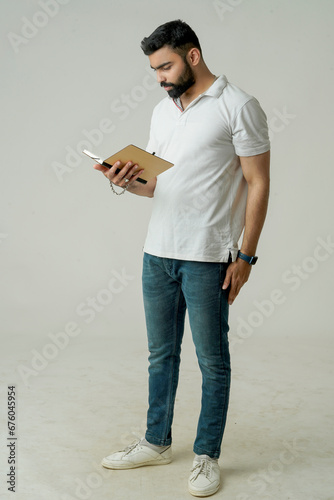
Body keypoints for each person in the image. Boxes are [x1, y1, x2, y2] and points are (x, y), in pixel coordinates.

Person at [93, 19, 270, 498]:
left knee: (213, 362)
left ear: (193, 55)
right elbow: (157, 185)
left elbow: (259, 183)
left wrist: (246, 257)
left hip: (209, 256)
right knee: (160, 356)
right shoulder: (162, 111)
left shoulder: (239, 106)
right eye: (154, 70)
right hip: (158, 254)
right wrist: (124, 178)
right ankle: (156, 441)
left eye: (166, 66)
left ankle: (206, 456)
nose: (160, 78)